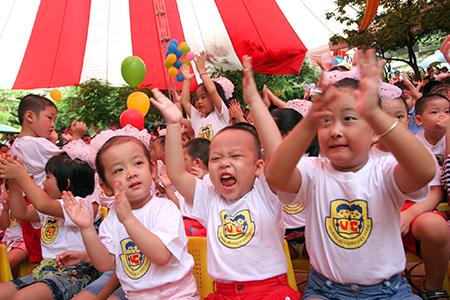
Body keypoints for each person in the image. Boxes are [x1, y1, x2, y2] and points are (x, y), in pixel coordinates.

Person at [265, 50, 435, 300]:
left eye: (349, 118)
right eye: (326, 121)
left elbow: (424, 172)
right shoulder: (313, 172)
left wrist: (377, 115)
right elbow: (276, 176)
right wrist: (310, 119)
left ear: (375, 131)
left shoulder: (384, 171)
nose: (335, 131)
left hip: (389, 291)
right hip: (325, 290)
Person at [150, 55, 301, 299]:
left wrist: (254, 102)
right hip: (223, 294)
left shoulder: (266, 193)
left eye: (236, 156)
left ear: (258, 166)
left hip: (269, 292)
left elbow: (278, 154)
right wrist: (173, 124)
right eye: (217, 158)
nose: (224, 163)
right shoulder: (211, 201)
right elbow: (177, 174)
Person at [61, 135, 199, 300]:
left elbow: (161, 256)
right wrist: (87, 228)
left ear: (152, 170)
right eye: (119, 170)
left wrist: (128, 219)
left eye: (138, 163)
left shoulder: (165, 209)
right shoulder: (113, 217)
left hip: (176, 295)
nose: (131, 173)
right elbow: (105, 263)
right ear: (106, 188)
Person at [371, 96, 450, 300]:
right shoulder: (364, 153)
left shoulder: (420, 151)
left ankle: (433, 286)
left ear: (409, 119)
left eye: (399, 116)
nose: (392, 123)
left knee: (435, 226)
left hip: (415, 209)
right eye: (383, 117)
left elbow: (436, 191)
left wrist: (410, 214)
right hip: (375, 212)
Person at [0, 152, 98, 300]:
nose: (44, 183)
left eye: (47, 177)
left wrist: (21, 175)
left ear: (67, 183)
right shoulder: (50, 207)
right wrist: (14, 182)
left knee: (21, 298)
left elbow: (43, 204)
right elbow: (21, 213)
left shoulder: (79, 204)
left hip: (76, 272)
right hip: (48, 270)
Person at [10, 94, 87, 263]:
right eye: (49, 118)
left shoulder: (17, 144)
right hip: (41, 200)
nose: (53, 124)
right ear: (30, 116)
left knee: (38, 252)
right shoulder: (35, 143)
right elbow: (69, 160)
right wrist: (76, 137)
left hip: (29, 201)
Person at [180, 52, 229, 140]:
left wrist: (202, 72)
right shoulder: (197, 118)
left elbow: (212, 91)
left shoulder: (220, 115)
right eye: (197, 98)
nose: (199, 101)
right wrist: (187, 80)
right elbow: (185, 102)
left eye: (203, 97)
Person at [0, 181, 28, 279]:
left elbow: (26, 225)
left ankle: (14, 282)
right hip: (7, 241)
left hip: (23, 241)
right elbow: (3, 226)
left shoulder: (26, 205)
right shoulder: (9, 204)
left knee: (9, 262)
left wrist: (15, 208)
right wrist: (6, 210)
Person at [414, 94, 450, 165]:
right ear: (419, 120)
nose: (443, 116)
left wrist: (448, 131)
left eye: (447, 112)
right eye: (435, 112)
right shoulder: (416, 142)